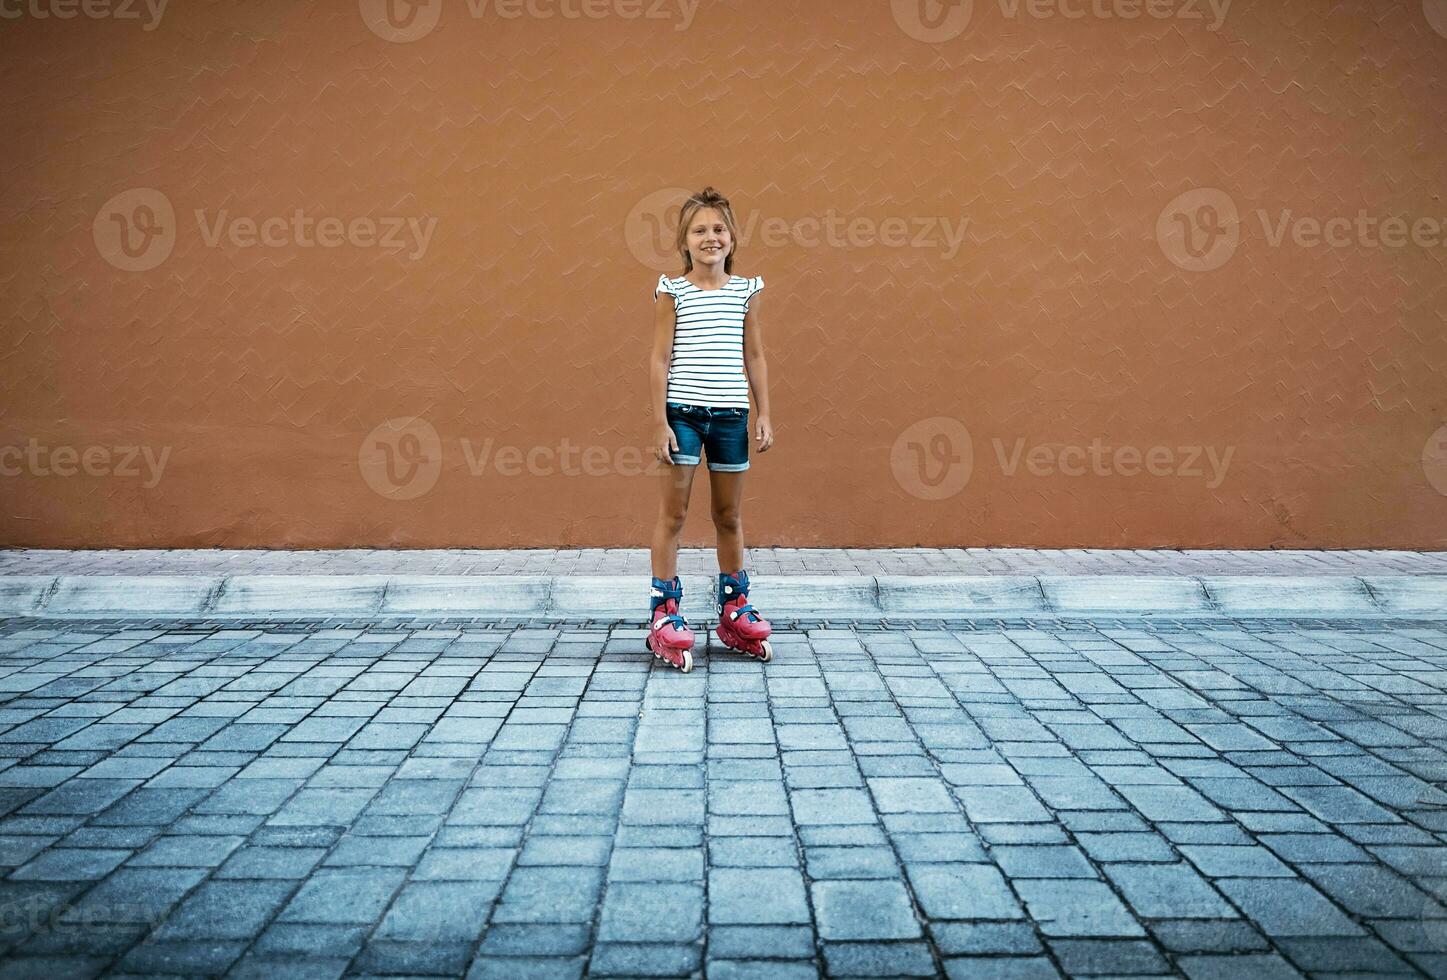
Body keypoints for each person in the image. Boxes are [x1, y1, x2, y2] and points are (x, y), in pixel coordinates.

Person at [644, 187, 775, 672]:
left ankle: (733, 608)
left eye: (718, 229)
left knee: (728, 516)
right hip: (682, 415)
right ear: (684, 240)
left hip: (730, 416)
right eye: (699, 230)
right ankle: (664, 612)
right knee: (673, 515)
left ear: (732, 237)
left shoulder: (747, 291)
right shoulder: (671, 291)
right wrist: (659, 421)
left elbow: (755, 355)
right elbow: (659, 359)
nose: (710, 237)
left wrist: (763, 413)